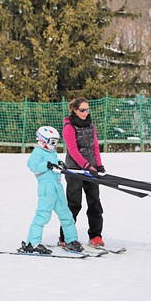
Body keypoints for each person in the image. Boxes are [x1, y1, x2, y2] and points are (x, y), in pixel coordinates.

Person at [19, 126, 84, 254]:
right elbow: (32, 165)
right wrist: (47, 165)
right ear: (42, 141)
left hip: (57, 187)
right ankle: (32, 242)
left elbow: (54, 162)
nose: (54, 145)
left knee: (66, 215)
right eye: (52, 142)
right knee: (42, 215)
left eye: (56, 142)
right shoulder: (38, 152)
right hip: (47, 188)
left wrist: (59, 163)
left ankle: (71, 240)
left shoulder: (52, 153)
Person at [59, 97, 106, 248]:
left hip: (91, 169)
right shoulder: (69, 127)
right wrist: (86, 165)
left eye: (87, 109)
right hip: (75, 170)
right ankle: (65, 237)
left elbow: (95, 147)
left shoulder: (91, 125)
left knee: (94, 203)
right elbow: (72, 150)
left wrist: (98, 165)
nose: (85, 113)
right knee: (74, 204)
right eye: (82, 110)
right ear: (74, 109)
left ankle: (95, 236)